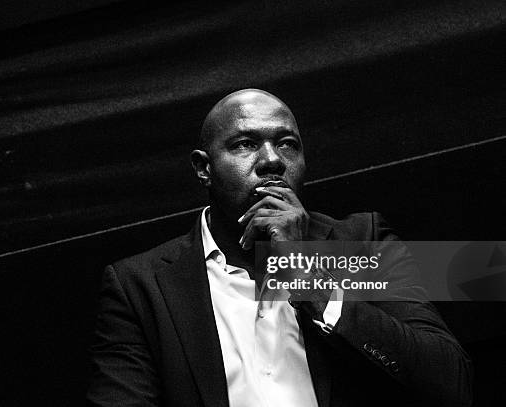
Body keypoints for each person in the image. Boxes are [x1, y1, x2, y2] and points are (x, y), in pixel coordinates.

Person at [87, 89, 472, 407]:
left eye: (287, 144)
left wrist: (312, 280)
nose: (272, 160)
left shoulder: (362, 243)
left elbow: (451, 383)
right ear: (204, 169)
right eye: (245, 144)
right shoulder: (142, 285)